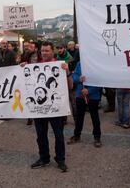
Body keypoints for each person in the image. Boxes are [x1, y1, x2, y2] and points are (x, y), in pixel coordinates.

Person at [23, 41, 68, 172]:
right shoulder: (34, 66)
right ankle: (44, 158)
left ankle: (60, 159)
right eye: (42, 51)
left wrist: (67, 72)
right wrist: (22, 68)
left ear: (52, 51)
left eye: (47, 51)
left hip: (56, 108)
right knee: (41, 135)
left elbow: (70, 86)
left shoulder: (60, 66)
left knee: (58, 135)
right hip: (40, 109)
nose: (44, 53)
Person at [68, 61, 102, 147]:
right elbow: (74, 76)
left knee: (95, 117)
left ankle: (97, 137)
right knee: (79, 116)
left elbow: (100, 81)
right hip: (80, 94)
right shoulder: (80, 63)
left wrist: (89, 91)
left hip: (93, 96)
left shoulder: (97, 63)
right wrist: (79, 79)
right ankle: (77, 135)